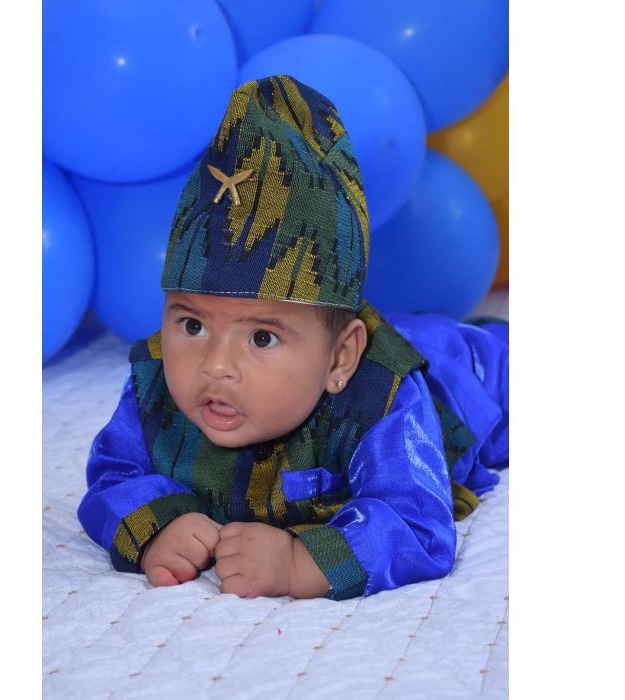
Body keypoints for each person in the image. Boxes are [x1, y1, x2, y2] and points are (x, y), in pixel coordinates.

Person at [77, 75, 508, 601]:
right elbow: (114, 473)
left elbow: (417, 524)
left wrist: (301, 561)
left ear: (341, 358)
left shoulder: (382, 397)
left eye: (261, 338)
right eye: (192, 325)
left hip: (455, 372)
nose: (215, 364)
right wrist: (156, 525)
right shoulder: (157, 385)